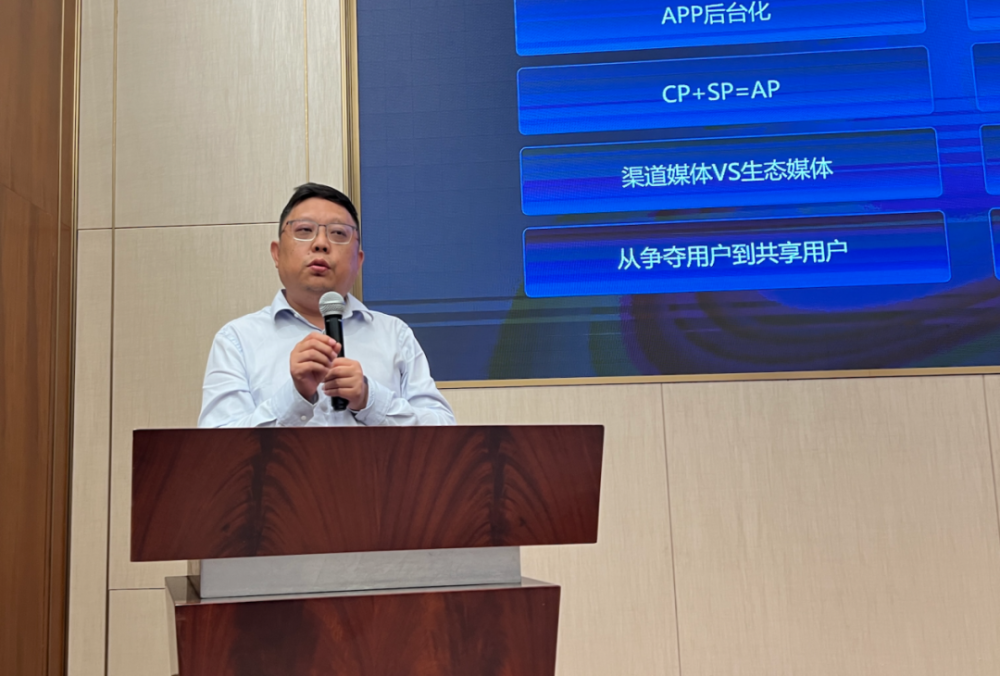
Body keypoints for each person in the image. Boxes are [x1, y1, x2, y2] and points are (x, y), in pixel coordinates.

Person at [198, 183, 455, 427]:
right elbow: (218, 447)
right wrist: (295, 397)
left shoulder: (394, 334)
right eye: (304, 230)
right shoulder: (237, 340)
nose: (321, 244)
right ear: (276, 253)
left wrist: (369, 399)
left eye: (338, 233)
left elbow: (443, 432)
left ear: (358, 261)